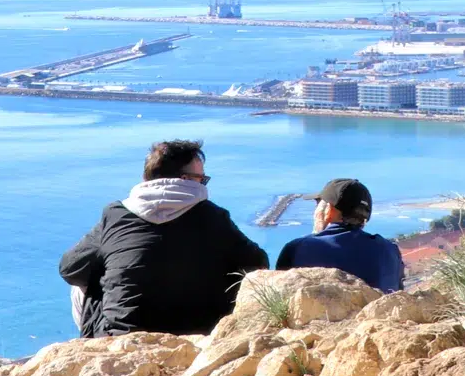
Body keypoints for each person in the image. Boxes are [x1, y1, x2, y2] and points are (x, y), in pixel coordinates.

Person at [59, 138, 269, 337]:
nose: (204, 185)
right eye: (202, 179)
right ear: (185, 180)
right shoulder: (213, 217)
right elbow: (258, 263)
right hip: (198, 333)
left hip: (120, 336)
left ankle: (87, 346)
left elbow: (70, 269)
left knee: (90, 274)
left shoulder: (117, 215)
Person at [275, 178, 403, 292]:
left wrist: (316, 236)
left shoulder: (296, 249)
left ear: (329, 210)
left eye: (317, 203)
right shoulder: (390, 250)